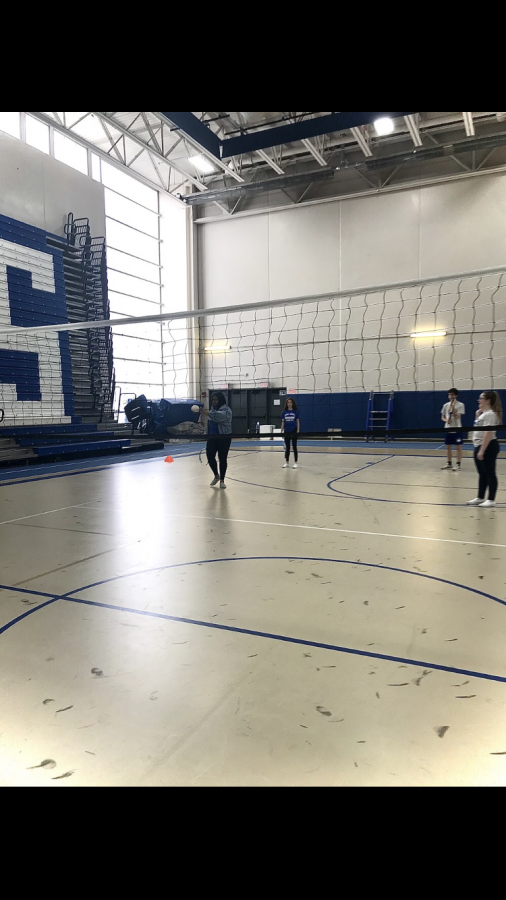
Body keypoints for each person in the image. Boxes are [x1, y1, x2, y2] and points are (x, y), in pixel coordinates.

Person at [467, 390, 503, 508]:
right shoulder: (484, 414)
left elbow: (488, 433)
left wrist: (482, 450)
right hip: (479, 445)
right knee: (482, 473)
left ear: (488, 400)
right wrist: (478, 416)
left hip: (488, 446)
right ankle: (480, 497)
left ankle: (491, 499)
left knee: (490, 473)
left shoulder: (490, 414)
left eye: (481, 398)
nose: (479, 400)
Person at [201, 392, 233, 489]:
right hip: (212, 437)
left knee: (222, 458)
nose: (214, 402)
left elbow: (219, 417)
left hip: (224, 438)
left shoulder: (227, 411)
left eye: (216, 400)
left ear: (220, 400)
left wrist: (207, 413)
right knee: (210, 457)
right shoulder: (212, 410)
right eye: (213, 400)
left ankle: (222, 480)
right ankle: (216, 475)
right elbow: (211, 422)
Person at [441, 388, 466, 471]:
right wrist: (446, 420)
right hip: (448, 428)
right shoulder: (445, 405)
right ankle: (449, 463)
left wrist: (454, 412)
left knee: (458, 446)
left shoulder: (460, 405)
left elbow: (459, 416)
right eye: (449, 394)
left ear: (456, 395)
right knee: (448, 446)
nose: (450, 396)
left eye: (452, 394)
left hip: (457, 428)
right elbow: (442, 417)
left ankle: (458, 464)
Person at [281, 397, 300, 469]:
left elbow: (298, 422)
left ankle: (295, 462)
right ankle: (287, 462)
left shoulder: (295, 412)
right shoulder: (284, 412)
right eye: (288, 402)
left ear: (292, 403)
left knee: (294, 447)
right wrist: (281, 431)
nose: (289, 404)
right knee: (287, 447)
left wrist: (298, 430)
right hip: (286, 431)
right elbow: (282, 422)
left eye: (290, 402)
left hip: (294, 430)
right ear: (286, 403)